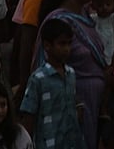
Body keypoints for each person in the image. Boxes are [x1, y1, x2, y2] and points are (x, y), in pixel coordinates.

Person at [41, 0, 107, 149]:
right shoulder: (60, 20)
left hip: (94, 100)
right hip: (74, 100)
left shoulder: (86, 16)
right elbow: (47, 63)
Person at [21, 18, 80, 149]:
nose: (66, 49)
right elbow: (28, 116)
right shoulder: (38, 79)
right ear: (47, 45)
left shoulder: (71, 74)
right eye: (62, 44)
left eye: (69, 44)